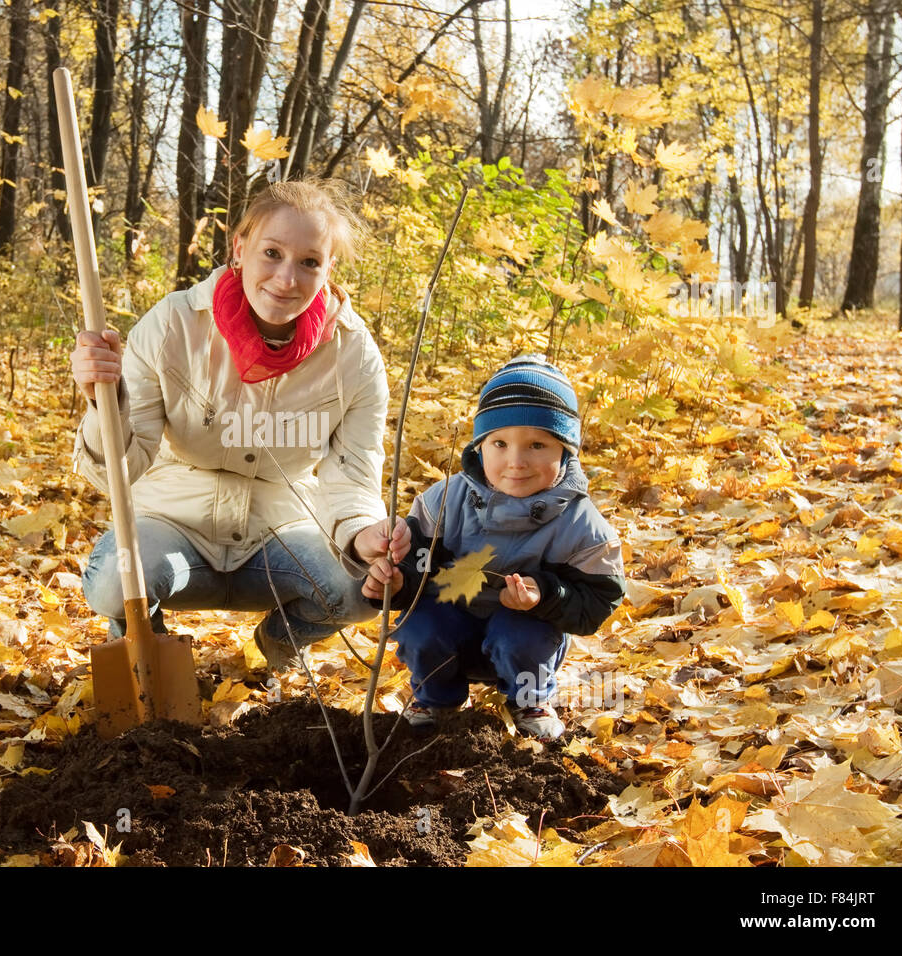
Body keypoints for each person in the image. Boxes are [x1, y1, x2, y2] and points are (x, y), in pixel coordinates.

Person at [72, 179, 407, 671]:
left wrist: (362, 537)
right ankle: (149, 660)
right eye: (271, 252)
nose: (287, 278)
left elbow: (352, 476)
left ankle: (275, 645)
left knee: (361, 589)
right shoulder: (174, 325)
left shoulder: (353, 355)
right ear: (240, 247)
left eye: (310, 262)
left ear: (328, 268)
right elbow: (115, 472)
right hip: (172, 522)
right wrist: (105, 402)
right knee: (116, 582)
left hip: (281, 529)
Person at [360, 354, 625, 738]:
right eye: (499, 443)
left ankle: (528, 698)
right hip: (450, 621)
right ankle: (435, 698)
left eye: (537, 445)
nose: (516, 461)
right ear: (479, 446)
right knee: (419, 627)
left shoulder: (581, 525)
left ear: (565, 450)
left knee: (521, 636)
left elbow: (599, 600)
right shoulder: (444, 501)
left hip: (522, 635)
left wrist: (547, 595)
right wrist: (396, 585)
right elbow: (415, 563)